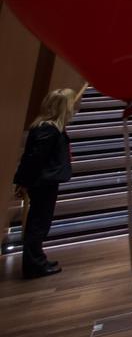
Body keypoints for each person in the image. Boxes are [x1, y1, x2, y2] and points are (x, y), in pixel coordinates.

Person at [13, 86, 84, 279]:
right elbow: (33, 159)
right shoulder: (49, 130)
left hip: (43, 181)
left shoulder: (46, 127)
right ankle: (34, 264)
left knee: (40, 223)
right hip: (43, 182)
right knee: (38, 224)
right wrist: (22, 182)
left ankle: (38, 259)